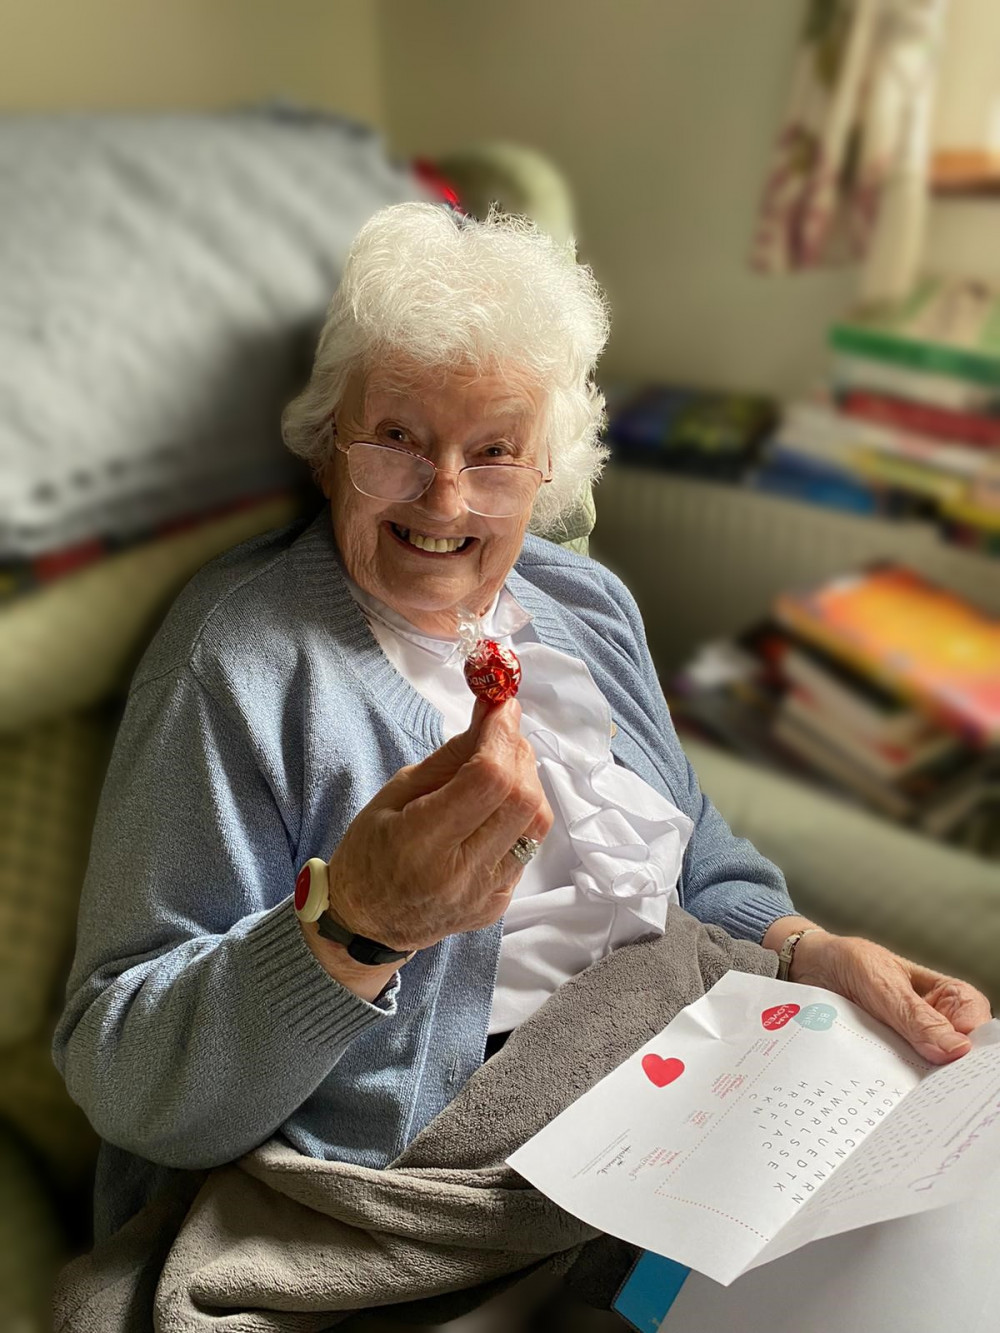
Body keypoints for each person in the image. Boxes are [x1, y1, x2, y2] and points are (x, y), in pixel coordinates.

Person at [54, 202, 991, 1249]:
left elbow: (696, 845)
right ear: (328, 449)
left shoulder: (584, 604)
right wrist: (358, 927)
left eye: (494, 450)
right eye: (397, 439)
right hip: (456, 1178)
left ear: (550, 469)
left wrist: (812, 949)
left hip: (691, 1101)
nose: (445, 495)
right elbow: (122, 1068)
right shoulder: (239, 667)